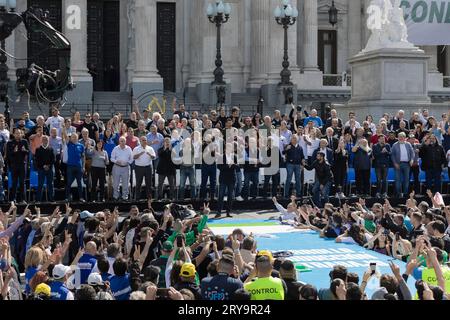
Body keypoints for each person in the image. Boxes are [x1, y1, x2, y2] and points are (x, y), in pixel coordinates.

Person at [5, 129, 29, 203]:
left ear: (21, 134)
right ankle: (13, 199)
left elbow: (28, 152)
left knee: (22, 183)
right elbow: (8, 155)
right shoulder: (9, 143)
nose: (18, 135)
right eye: (16, 133)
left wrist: (24, 150)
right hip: (14, 166)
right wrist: (13, 151)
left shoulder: (24, 141)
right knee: (14, 183)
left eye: (19, 133)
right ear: (14, 134)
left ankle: (22, 199)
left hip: (22, 165)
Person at [216, 143, 238, 218]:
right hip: (223, 178)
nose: (229, 149)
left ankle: (228, 212)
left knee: (230, 196)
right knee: (221, 196)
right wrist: (227, 166)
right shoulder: (221, 157)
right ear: (225, 149)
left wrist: (233, 165)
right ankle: (219, 212)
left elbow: (238, 167)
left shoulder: (234, 156)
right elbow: (219, 167)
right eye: (227, 148)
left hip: (232, 178)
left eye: (230, 148)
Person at [63, 131, 85, 202]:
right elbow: (65, 136)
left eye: (75, 137)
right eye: (73, 137)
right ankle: (67, 197)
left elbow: (83, 157)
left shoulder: (81, 146)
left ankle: (81, 198)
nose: (74, 138)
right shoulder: (69, 144)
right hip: (70, 166)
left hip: (79, 166)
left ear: (77, 138)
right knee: (68, 182)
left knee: (79, 183)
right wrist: (63, 128)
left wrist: (83, 166)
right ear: (71, 138)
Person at [391, 132, 415, 197]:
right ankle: (399, 194)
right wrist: (395, 163)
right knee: (398, 180)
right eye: (400, 136)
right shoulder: (395, 145)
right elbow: (392, 155)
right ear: (398, 137)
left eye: (402, 136)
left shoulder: (408, 144)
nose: (401, 138)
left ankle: (405, 194)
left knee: (406, 180)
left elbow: (412, 153)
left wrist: (412, 160)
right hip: (398, 164)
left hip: (407, 164)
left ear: (405, 138)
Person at [132, 136, 155, 200]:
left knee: (149, 183)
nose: (144, 141)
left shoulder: (150, 148)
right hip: (139, 168)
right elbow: (133, 157)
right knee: (138, 183)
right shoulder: (136, 149)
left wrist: (150, 155)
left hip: (148, 168)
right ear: (140, 141)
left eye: (145, 140)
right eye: (143, 140)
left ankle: (149, 198)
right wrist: (139, 154)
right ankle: (137, 198)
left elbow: (154, 157)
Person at [111, 136, 133, 201]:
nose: (122, 142)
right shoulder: (115, 148)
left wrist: (128, 162)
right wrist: (116, 161)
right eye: (121, 141)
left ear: (125, 142)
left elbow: (131, 158)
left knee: (125, 183)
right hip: (117, 167)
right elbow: (112, 158)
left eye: (124, 141)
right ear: (119, 142)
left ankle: (125, 197)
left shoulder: (128, 148)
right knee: (115, 183)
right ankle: (116, 197)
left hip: (126, 167)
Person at [34, 135, 55, 202]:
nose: (45, 140)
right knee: (40, 184)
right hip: (41, 169)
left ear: (48, 140)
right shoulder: (38, 149)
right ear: (42, 140)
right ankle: (38, 200)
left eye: (46, 139)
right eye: (44, 139)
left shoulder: (51, 149)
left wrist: (48, 166)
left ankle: (51, 199)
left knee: (50, 184)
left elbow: (53, 159)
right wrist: (43, 166)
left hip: (49, 169)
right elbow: (37, 160)